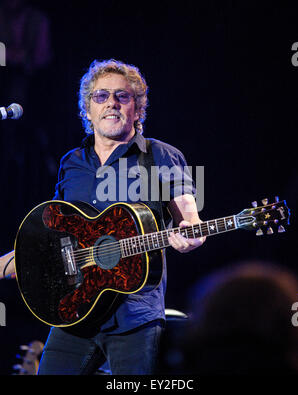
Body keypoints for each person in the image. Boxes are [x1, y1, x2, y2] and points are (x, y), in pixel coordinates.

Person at [0, 59, 205, 375]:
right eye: (101, 96)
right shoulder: (72, 162)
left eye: (123, 96)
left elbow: (191, 220)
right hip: (73, 313)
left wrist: (190, 234)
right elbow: (50, 238)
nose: (112, 103)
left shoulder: (160, 155)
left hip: (134, 319)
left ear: (137, 109)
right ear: (87, 110)